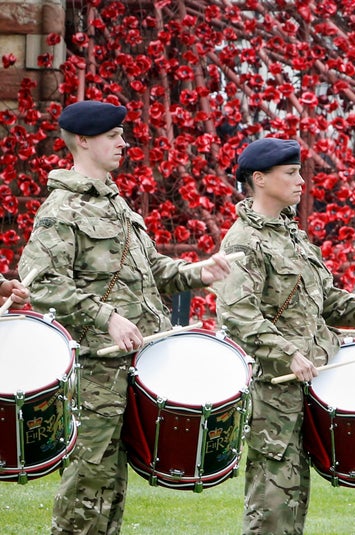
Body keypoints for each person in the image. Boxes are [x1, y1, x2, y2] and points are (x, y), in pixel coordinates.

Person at [18, 100, 231, 535]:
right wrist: (106, 316)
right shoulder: (61, 209)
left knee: (112, 488)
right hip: (96, 369)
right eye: (113, 136)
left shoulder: (117, 204)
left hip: (131, 367)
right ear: (82, 140)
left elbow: (152, 271)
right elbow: (40, 284)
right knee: (87, 485)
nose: (123, 143)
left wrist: (198, 273)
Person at [213, 137, 355, 534]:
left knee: (296, 492)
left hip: (309, 378)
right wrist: (286, 353)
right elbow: (237, 314)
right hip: (275, 385)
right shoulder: (244, 241)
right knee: (273, 496)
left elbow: (324, 299)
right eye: (291, 173)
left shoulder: (290, 234)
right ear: (259, 180)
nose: (301, 181)